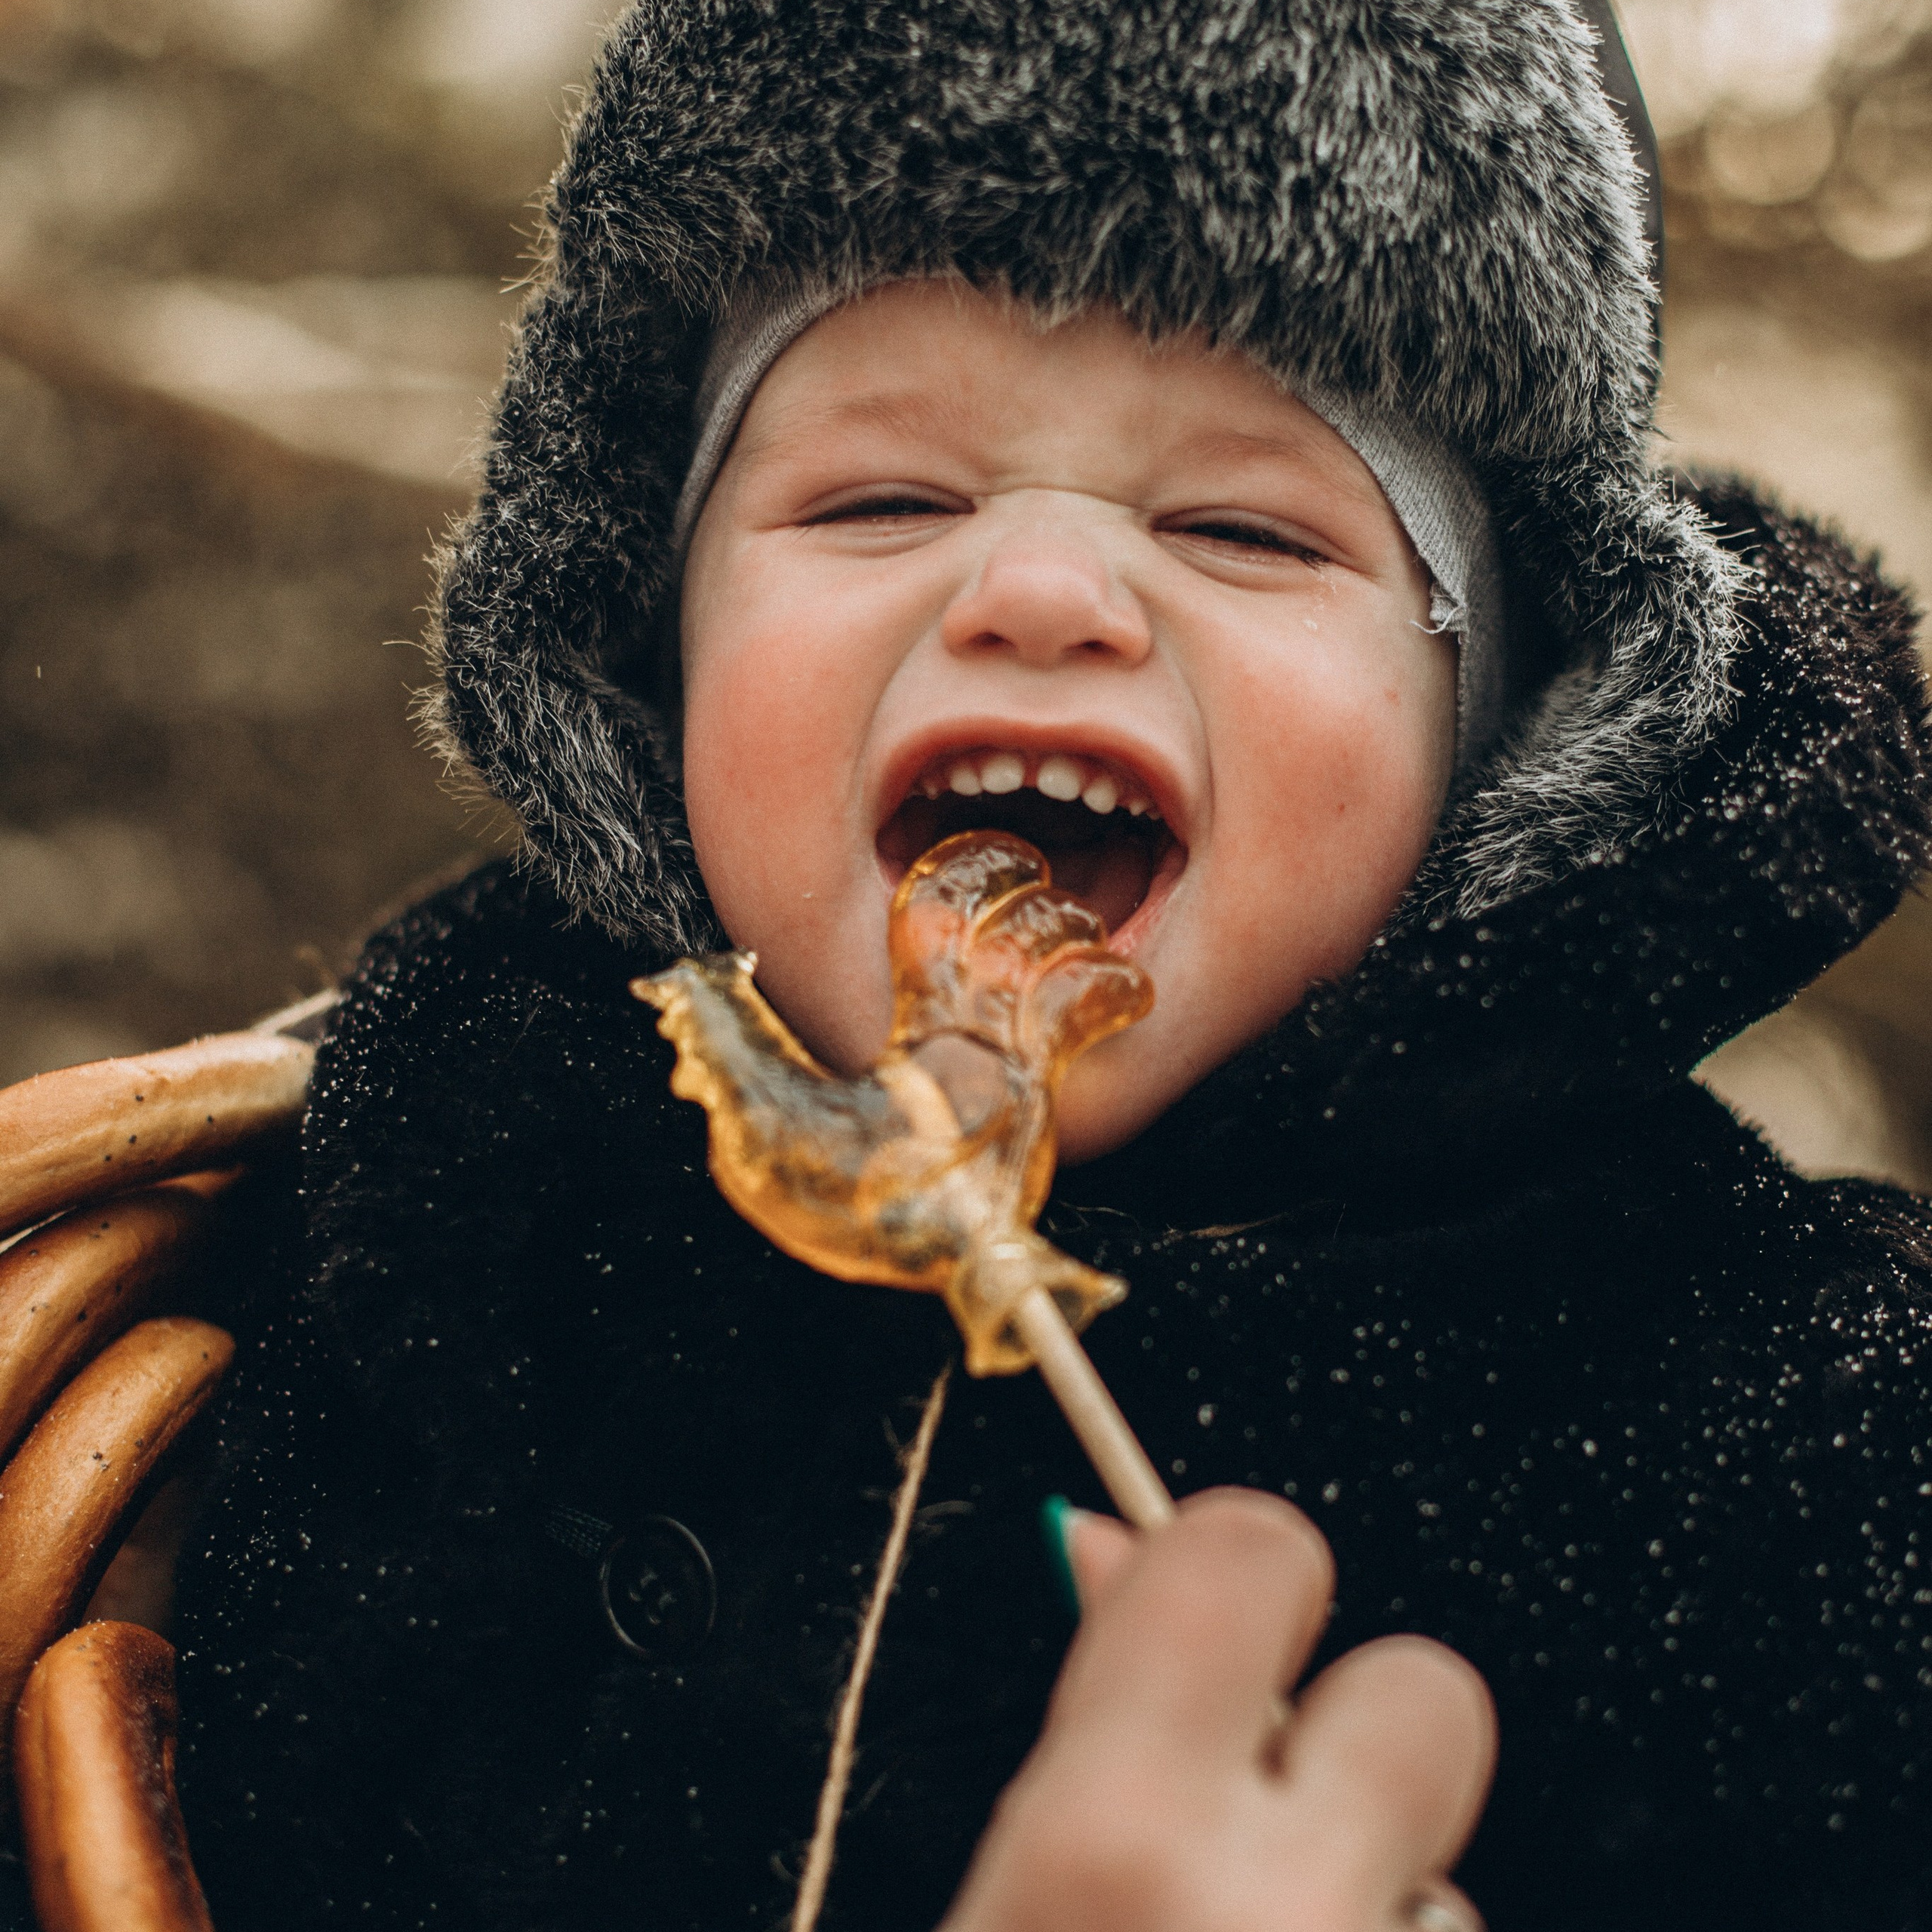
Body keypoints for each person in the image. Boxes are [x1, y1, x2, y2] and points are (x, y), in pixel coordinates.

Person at [171, 1, 1932, 1928]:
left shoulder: (1793, 1420)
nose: (1038, 590)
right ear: (655, 649)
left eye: (1247, 527)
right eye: (880, 500)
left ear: (1498, 743)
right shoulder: (437, 1180)